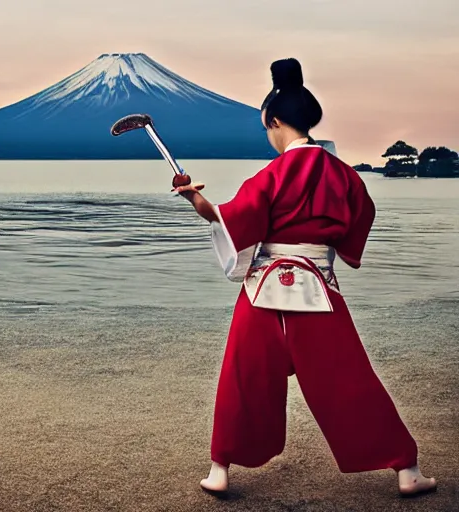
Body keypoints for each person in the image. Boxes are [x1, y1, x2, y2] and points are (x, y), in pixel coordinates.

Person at [171, 58, 437, 498]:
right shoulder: (346, 176)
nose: (270, 137)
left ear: (275, 122)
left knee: (243, 374)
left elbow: (234, 219)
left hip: (263, 291)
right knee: (351, 378)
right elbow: (360, 221)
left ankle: (220, 468)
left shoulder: (270, 175)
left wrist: (194, 198)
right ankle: (406, 470)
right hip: (319, 290)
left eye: (267, 129)